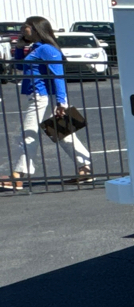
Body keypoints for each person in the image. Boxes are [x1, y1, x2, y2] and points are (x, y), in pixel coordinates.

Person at [4, 16, 92, 188]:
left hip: (42, 97)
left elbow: (58, 76)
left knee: (28, 134)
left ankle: (19, 175)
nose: (23, 29)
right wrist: (20, 48)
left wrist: (62, 103)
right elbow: (21, 66)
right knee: (63, 133)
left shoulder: (47, 49)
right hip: (42, 96)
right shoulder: (37, 48)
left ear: (37, 28)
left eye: (26, 26)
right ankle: (85, 169)